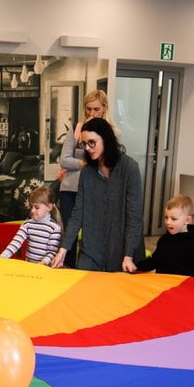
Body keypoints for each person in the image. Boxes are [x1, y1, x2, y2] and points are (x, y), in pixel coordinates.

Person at [51, 117, 143, 272]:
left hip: (123, 252)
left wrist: (129, 254)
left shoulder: (130, 168)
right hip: (91, 251)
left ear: (106, 139)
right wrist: (63, 249)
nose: (87, 148)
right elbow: (78, 213)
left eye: (91, 142)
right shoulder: (87, 172)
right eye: (84, 144)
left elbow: (134, 216)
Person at [57, 90, 117, 268]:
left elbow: (110, 161)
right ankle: (67, 271)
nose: (91, 113)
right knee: (70, 235)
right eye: (88, 109)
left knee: (93, 235)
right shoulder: (77, 129)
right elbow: (64, 159)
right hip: (70, 190)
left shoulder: (113, 132)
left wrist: (79, 163)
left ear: (105, 108)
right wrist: (87, 163)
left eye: (96, 109)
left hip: (96, 191)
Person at [132, 195, 194, 277]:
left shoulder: (193, 243)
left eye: (173, 219)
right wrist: (136, 267)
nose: (168, 222)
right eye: (166, 217)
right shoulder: (164, 239)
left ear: (187, 220)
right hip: (162, 284)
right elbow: (155, 261)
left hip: (180, 286)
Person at [0, 186, 62, 265]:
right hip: (29, 266)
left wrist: (44, 262)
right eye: (31, 206)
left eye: (37, 207)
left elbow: (52, 252)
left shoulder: (54, 228)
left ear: (49, 207)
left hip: (45, 268)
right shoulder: (27, 224)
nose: (32, 210)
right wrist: (2, 257)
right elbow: (15, 243)